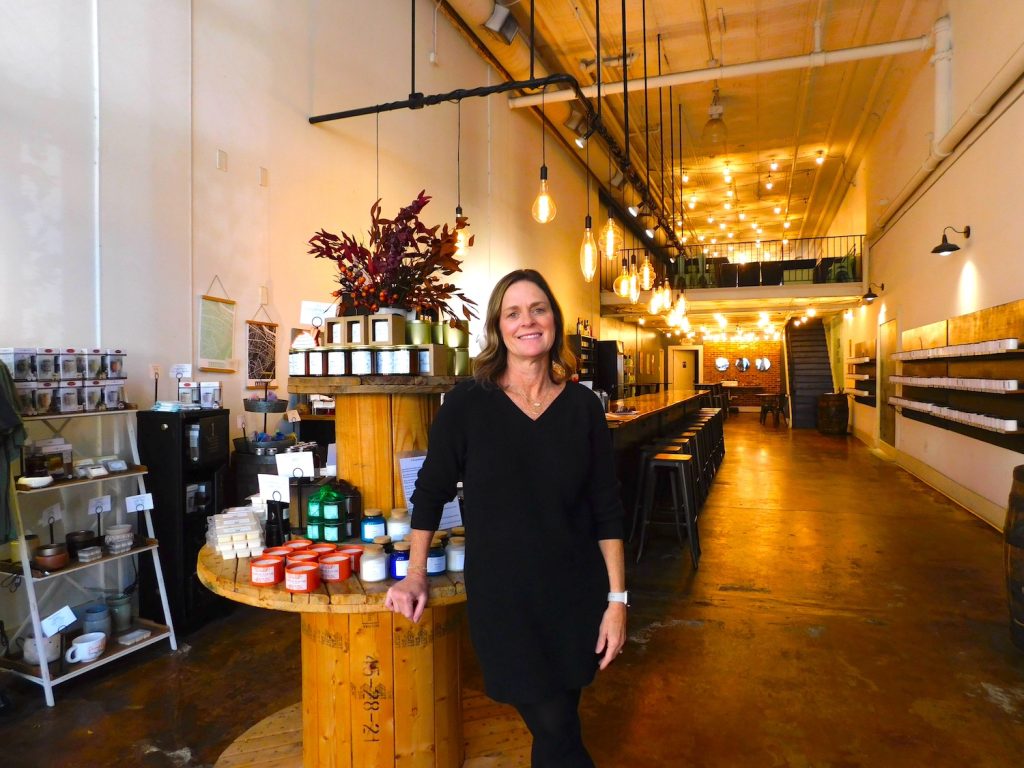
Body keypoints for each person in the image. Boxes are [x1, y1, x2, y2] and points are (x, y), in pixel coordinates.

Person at [384, 269, 627, 767]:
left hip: (574, 594)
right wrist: (413, 575)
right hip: (504, 597)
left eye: (538, 309)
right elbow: (429, 492)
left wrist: (617, 600)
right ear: (498, 327)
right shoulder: (467, 404)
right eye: (513, 312)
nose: (527, 322)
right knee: (557, 726)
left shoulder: (583, 407)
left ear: (554, 320)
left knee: (559, 725)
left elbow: (607, 508)